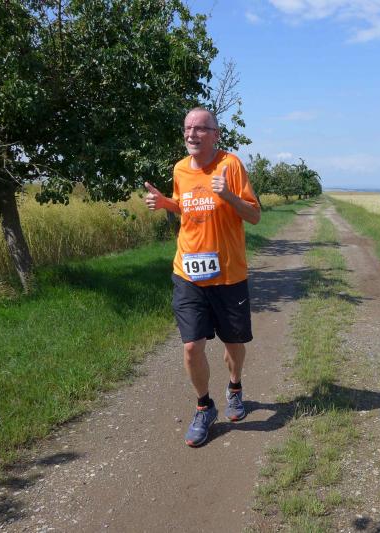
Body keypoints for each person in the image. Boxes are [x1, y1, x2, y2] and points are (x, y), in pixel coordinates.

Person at [144, 107, 261, 446]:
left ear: (215, 134)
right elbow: (185, 205)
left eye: (199, 128)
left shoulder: (231, 165)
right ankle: (204, 406)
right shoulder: (180, 168)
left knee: (234, 344)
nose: (191, 134)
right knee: (192, 346)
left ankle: (235, 387)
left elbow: (254, 215)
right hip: (188, 272)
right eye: (187, 128)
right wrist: (165, 203)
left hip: (228, 275)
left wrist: (228, 195)